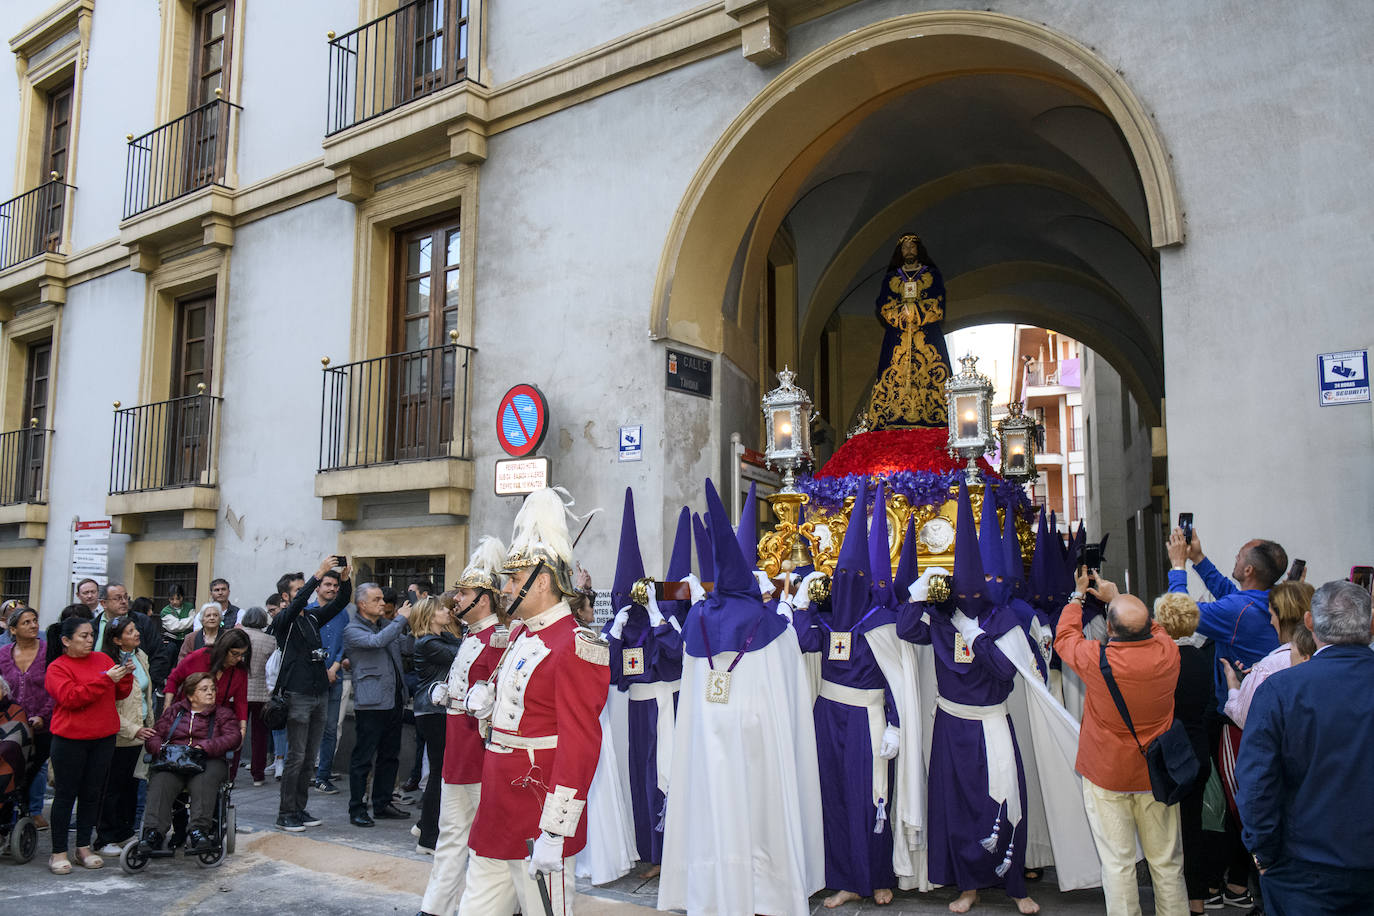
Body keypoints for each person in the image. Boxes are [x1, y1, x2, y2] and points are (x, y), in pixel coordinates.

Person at [659, 480, 824, 916]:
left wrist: (672, 590)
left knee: (712, 805)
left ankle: (712, 890)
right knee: (760, 808)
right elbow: (791, 682)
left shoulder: (698, 616)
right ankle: (764, 890)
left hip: (707, 730)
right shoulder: (768, 621)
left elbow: (670, 619)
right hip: (757, 732)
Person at [458, 488, 611, 915]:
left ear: (540, 582)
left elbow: (581, 744)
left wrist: (557, 831)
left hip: (537, 810)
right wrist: (487, 706)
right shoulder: (523, 634)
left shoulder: (574, 645)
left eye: (513, 579)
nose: (505, 589)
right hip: (496, 802)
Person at [1236, 580, 1374, 913]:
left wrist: (1262, 853)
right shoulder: (1281, 690)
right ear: (1370, 624)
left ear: (1309, 622)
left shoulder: (1281, 690)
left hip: (1304, 867)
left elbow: (1256, 785)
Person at [1054, 570, 1187, 916]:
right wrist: (1117, 596)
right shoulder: (1168, 652)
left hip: (1107, 773)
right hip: (1157, 774)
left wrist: (1077, 597)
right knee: (1167, 863)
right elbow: (1156, 628)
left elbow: (1065, 637)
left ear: (1109, 629)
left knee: (1118, 863)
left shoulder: (1097, 660)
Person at [416, 537, 508, 916]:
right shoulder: (470, 637)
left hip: (480, 756)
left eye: (464, 593)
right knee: (451, 834)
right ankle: (436, 907)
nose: (455, 600)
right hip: (456, 753)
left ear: (483, 599)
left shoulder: (499, 639)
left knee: (489, 842)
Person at [603, 493, 690, 880]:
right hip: (636, 712)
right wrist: (616, 636)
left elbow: (676, 656)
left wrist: (657, 615)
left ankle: (666, 851)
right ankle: (645, 846)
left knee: (663, 776)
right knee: (639, 776)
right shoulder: (620, 627)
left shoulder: (663, 619)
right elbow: (613, 677)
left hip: (664, 708)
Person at [43, 616, 133, 873]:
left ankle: (83, 846)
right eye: (83, 636)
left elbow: (119, 693)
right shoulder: (57, 667)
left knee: (92, 794)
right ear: (65, 640)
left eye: (91, 635)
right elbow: (71, 697)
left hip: (103, 737)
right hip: (70, 740)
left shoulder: (103, 660)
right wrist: (107, 680)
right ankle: (58, 851)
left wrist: (124, 676)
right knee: (65, 795)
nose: (89, 640)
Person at [1154, 592, 1221, 915]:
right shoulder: (1203, 659)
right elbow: (1211, 706)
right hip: (1198, 751)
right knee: (1193, 830)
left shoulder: (1161, 662)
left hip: (1169, 754)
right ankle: (1197, 903)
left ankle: (1171, 901)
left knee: (1166, 835)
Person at [274, 557, 352, 833]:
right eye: (299, 590)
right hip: (297, 695)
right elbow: (297, 605)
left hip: (319, 693)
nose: (304, 594)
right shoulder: (284, 621)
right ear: (286, 597)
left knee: (308, 757)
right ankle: (286, 813)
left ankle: (299, 808)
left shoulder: (312, 618)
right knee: (296, 756)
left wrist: (345, 582)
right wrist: (317, 576)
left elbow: (341, 604)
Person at [857, 232, 953, 431]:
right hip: (898, 334)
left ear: (918, 249)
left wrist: (916, 312)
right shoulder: (892, 277)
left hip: (926, 332)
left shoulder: (931, 274)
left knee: (930, 367)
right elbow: (882, 303)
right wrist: (900, 314)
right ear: (900, 252)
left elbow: (938, 301)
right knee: (892, 368)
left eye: (912, 246)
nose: (909, 250)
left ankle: (934, 413)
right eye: (905, 247)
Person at [138, 672, 241, 855]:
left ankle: (198, 831)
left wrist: (206, 747)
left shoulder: (223, 714)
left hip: (208, 759)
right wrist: (160, 749)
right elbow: (155, 735)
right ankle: (153, 832)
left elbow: (233, 737)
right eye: (204, 689)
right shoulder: (174, 711)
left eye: (212, 689)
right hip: (175, 759)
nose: (210, 693)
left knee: (203, 781)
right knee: (161, 780)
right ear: (191, 695)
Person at [343, 581, 413, 827]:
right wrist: (401, 620)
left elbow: (407, 647)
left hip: (393, 699)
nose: (383, 603)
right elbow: (376, 642)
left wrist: (418, 624)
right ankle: (357, 808)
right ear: (362, 604)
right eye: (377, 599)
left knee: (389, 756)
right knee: (363, 758)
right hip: (371, 703)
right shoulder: (353, 629)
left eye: (383, 599)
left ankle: (382, 804)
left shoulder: (387, 625)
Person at [95, 616, 156, 856]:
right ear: (118, 640)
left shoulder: (140, 657)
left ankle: (123, 831)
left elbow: (144, 695)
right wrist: (132, 729)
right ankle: (104, 836)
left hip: (140, 731)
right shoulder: (110, 665)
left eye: (135, 629)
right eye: (130, 631)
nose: (136, 633)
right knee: (112, 787)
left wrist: (147, 725)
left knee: (132, 785)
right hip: (119, 734)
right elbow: (108, 705)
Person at [1221, 581, 1315, 729]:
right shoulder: (1324, 655)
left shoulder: (1270, 666)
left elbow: (1245, 718)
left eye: (1271, 614)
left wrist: (1234, 686)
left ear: (1282, 616)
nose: (1271, 622)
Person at [411, 594, 463, 851]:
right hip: (432, 713)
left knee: (439, 771)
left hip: (434, 711)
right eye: (442, 609)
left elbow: (460, 642)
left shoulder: (439, 637)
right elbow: (463, 654)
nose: (447, 611)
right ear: (430, 616)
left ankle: (424, 824)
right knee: (438, 773)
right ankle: (427, 838)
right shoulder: (428, 643)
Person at [166, 628, 251, 779]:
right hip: (186, 715)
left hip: (214, 720)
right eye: (235, 654)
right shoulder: (199, 657)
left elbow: (241, 701)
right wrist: (167, 709)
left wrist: (243, 729)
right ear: (224, 649)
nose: (238, 659)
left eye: (242, 655)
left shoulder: (239, 671)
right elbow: (174, 678)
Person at [0, 605, 52, 827]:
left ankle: (32, 811)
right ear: (13, 629)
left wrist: (42, 715)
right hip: (9, 724)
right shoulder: (3, 654)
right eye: (26, 622)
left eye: (34, 621)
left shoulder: (49, 651)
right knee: (8, 768)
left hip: (42, 722)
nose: (33, 626)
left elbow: (54, 689)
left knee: (34, 769)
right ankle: (8, 816)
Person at [311, 568, 349, 796]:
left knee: (330, 729)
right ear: (318, 587)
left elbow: (343, 643)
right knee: (307, 727)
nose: (333, 589)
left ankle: (323, 776)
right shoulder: (307, 612)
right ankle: (306, 771)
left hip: (335, 678)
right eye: (328, 585)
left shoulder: (342, 613)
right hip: (311, 679)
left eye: (336, 586)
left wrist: (334, 667)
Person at [238, 607, 277, 786]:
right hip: (262, 693)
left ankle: (230, 774)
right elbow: (273, 668)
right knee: (259, 736)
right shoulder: (270, 640)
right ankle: (258, 775)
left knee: (236, 733)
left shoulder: (236, 635)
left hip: (239, 692)